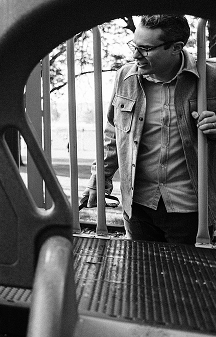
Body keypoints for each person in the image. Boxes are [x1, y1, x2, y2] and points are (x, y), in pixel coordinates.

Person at [80, 14, 216, 245]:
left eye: (145, 48)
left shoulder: (210, 79)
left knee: (185, 280)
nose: (135, 55)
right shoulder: (126, 76)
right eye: (134, 46)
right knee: (140, 278)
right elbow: (113, 133)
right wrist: (98, 181)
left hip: (190, 210)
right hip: (138, 207)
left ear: (176, 47)